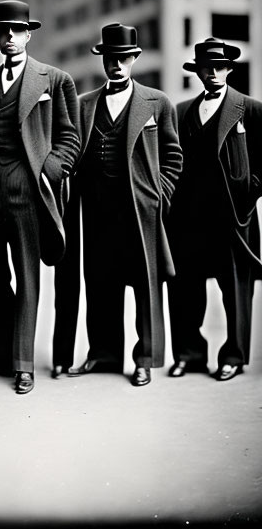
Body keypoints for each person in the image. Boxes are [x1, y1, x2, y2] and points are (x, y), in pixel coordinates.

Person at [0, 0, 79, 394]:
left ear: (28, 34)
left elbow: (70, 137)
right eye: (2, 31)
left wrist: (50, 169)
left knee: (27, 277)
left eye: (16, 30)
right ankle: (0, 356)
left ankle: (24, 363)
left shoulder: (54, 80)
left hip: (28, 192)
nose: (9, 37)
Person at [54, 24, 182, 386]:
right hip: (96, 211)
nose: (117, 64)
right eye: (112, 59)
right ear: (104, 61)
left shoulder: (157, 102)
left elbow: (173, 156)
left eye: (124, 58)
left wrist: (160, 194)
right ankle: (103, 355)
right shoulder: (84, 104)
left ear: (134, 59)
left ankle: (144, 359)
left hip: (138, 211)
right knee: (99, 283)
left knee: (144, 283)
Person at [167, 37, 262, 382]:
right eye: (207, 68)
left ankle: (233, 356)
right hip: (188, 218)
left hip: (231, 218)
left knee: (235, 289)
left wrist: (247, 191)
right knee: (185, 288)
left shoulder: (250, 109)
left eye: (220, 67)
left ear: (229, 69)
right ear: (199, 72)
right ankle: (188, 355)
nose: (213, 73)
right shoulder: (181, 112)